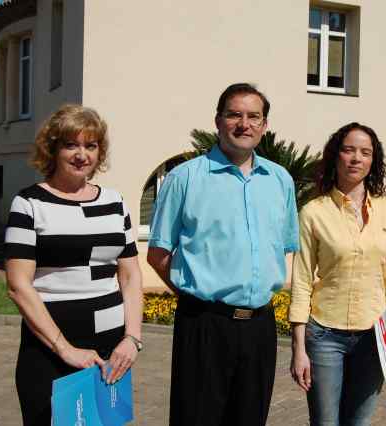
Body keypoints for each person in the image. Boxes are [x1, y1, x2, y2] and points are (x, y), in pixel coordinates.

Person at [147, 82, 299, 426]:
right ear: (218, 121)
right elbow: (157, 253)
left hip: (260, 327)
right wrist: (196, 293)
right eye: (234, 115)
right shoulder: (184, 178)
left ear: (264, 125)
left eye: (253, 117)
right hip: (204, 325)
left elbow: (283, 247)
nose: (244, 124)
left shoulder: (280, 180)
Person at [4, 104, 143, 425]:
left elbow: (130, 275)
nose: (82, 155)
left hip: (112, 353)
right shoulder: (29, 203)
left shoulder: (114, 202)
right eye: (71, 145)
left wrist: (132, 339)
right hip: (51, 352)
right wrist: (65, 349)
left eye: (90, 145)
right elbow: (18, 285)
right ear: (52, 149)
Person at [289, 122, 386, 426]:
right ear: (336, 156)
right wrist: (298, 347)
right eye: (348, 150)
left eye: (365, 152)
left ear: (373, 160)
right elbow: (301, 281)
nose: (356, 158)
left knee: (359, 422)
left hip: (374, 336)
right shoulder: (313, 212)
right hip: (324, 336)